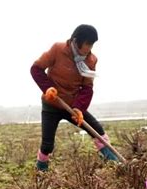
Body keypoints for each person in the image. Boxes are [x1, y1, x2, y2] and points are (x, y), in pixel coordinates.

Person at [30, 24, 119, 171]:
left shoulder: (91, 60)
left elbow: (87, 88)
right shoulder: (57, 50)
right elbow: (36, 69)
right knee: (47, 145)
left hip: (72, 106)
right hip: (52, 104)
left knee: (97, 131)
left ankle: (114, 163)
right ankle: (41, 170)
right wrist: (47, 89)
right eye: (88, 44)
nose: (89, 49)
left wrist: (79, 108)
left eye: (92, 45)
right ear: (76, 41)